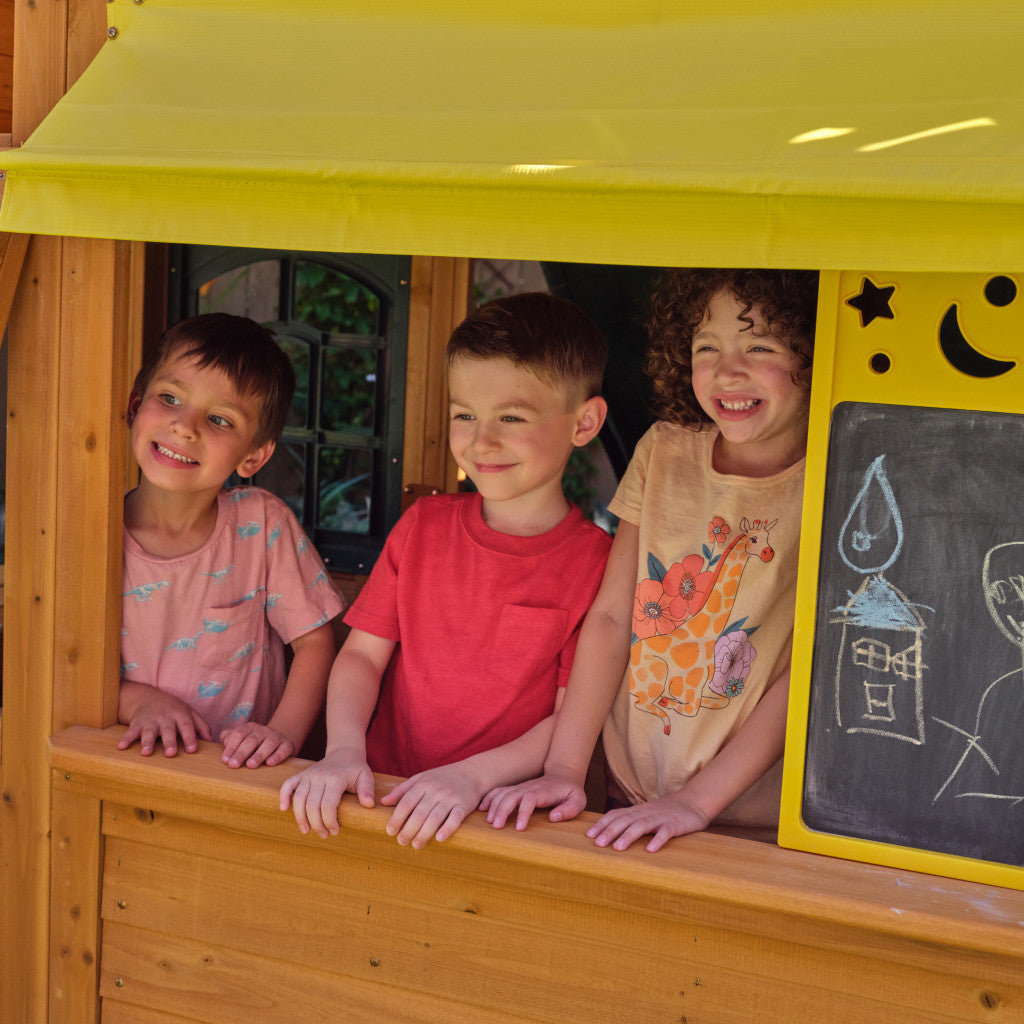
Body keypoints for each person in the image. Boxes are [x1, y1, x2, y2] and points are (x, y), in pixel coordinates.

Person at [483, 268, 819, 852]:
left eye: (760, 346)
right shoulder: (664, 448)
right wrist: (565, 768)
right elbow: (614, 617)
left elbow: (811, 673)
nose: (727, 370)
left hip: (752, 820)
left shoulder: (835, 470)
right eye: (706, 347)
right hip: (628, 792)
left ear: (815, 356)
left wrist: (696, 801)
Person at [279, 292, 612, 848]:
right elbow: (362, 655)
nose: (482, 440)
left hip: (500, 820)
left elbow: (570, 716)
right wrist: (342, 750)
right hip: (377, 797)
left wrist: (471, 778)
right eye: (465, 415)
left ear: (585, 422)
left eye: (511, 416)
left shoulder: (597, 564)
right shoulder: (424, 526)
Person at [118, 313, 344, 769]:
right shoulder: (90, 533)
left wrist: (282, 734)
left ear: (254, 456)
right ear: (135, 405)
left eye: (219, 418)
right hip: (122, 767)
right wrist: (135, 701)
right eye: (169, 398)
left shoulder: (262, 525)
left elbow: (315, 643)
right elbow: (62, 659)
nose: (186, 426)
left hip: (239, 778)